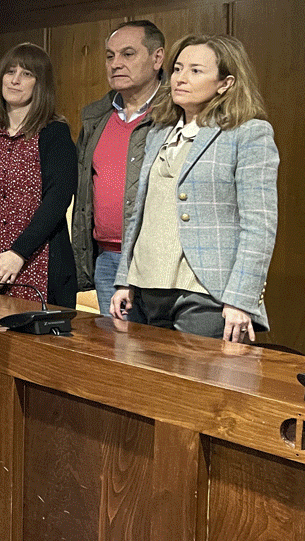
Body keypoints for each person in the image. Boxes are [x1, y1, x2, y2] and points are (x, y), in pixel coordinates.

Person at [111, 35, 278, 343]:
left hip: (206, 292)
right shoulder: (158, 133)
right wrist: (124, 279)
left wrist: (241, 298)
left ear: (225, 83)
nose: (181, 78)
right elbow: (139, 215)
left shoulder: (248, 133)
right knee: (144, 387)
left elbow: (260, 225)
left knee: (196, 387)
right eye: (177, 69)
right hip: (148, 286)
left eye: (196, 71)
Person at [0, 43, 78, 308]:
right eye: (10, 72)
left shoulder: (54, 134)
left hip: (36, 265)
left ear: (40, 84)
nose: (14, 80)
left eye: (26, 74)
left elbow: (57, 200)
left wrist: (18, 253)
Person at [73, 21, 164, 310]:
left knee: (156, 353)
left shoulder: (176, 114)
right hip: (107, 259)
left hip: (156, 260)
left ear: (157, 58)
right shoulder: (96, 117)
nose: (116, 64)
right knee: (114, 351)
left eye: (128, 54)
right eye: (110, 56)